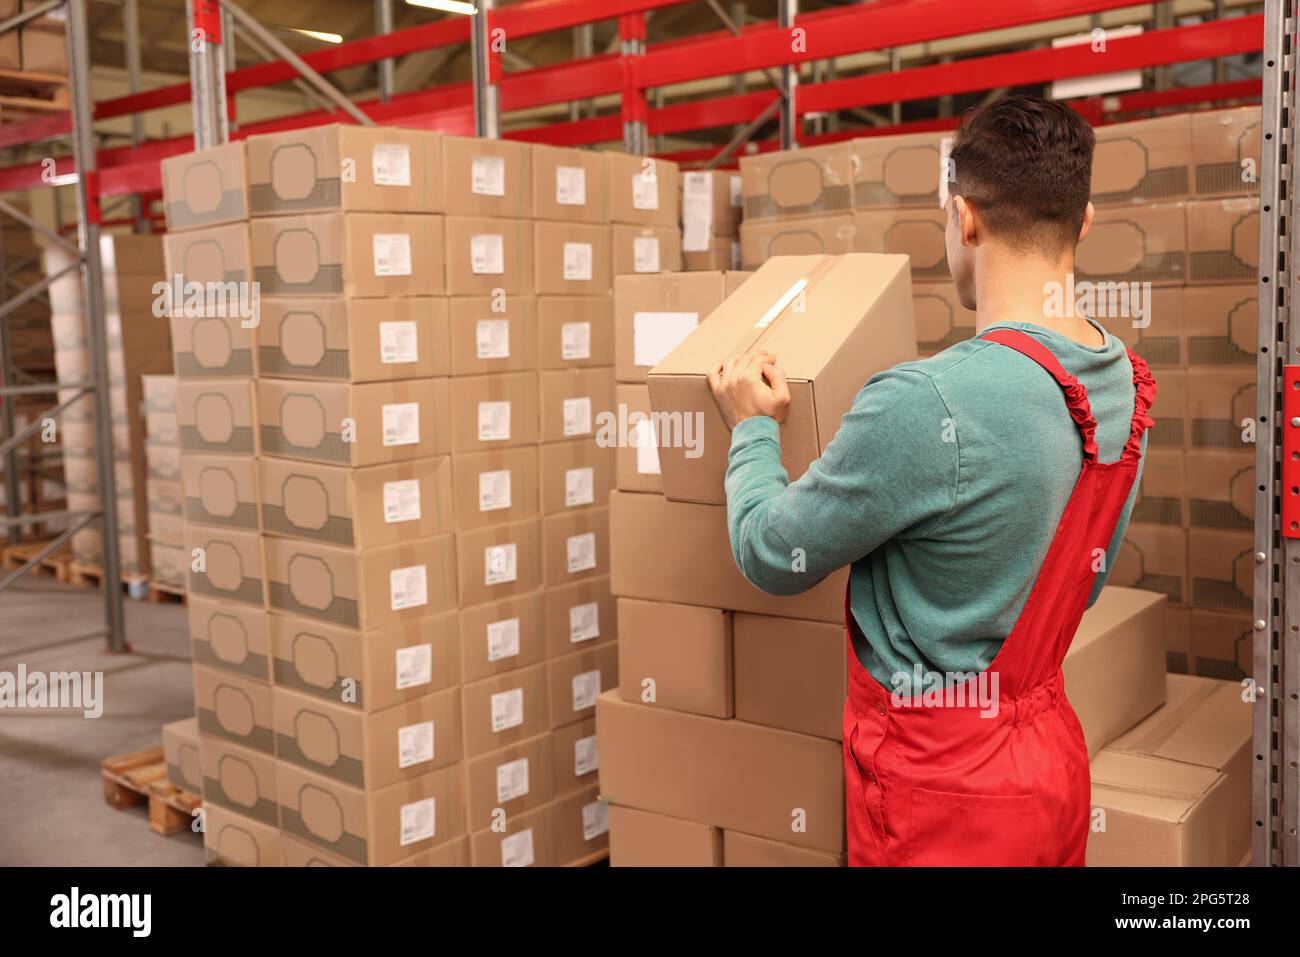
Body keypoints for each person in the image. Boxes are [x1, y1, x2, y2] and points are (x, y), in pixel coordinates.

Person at [706, 94, 1155, 867]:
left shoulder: (927, 402)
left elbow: (770, 553)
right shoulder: (1128, 386)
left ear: (967, 218)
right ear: (1083, 224)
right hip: (1049, 770)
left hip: (942, 797)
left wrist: (751, 428)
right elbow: (1077, 577)